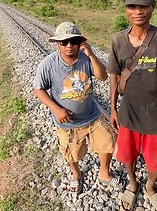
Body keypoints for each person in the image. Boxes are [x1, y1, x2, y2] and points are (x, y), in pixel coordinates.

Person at [108, 0, 157, 211]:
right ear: (125, 9)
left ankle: (149, 186)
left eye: (144, 5)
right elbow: (114, 76)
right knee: (127, 154)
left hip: (156, 112)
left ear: (153, 7)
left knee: (156, 158)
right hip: (128, 111)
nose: (138, 11)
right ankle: (132, 182)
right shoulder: (118, 40)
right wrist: (112, 109)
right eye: (132, 6)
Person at [33, 21, 123, 194]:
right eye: (64, 42)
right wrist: (56, 109)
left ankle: (104, 173)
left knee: (108, 141)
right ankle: (76, 173)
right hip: (68, 123)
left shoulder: (86, 59)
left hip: (92, 116)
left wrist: (91, 55)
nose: (69, 46)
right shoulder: (49, 64)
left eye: (73, 41)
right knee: (71, 152)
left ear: (80, 42)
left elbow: (103, 76)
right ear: (57, 44)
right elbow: (39, 89)